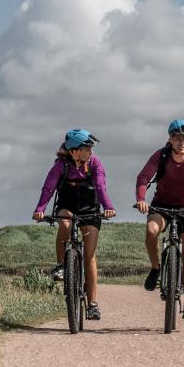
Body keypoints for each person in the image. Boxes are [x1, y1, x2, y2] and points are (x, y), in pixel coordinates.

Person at [32, 129, 117, 320]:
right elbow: (48, 188)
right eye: (87, 148)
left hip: (90, 208)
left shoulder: (94, 163)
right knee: (65, 224)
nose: (91, 152)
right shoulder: (61, 166)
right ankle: (62, 264)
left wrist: (108, 207)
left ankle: (92, 304)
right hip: (67, 206)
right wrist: (40, 209)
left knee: (89, 256)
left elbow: (101, 187)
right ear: (74, 151)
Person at [134, 118, 184, 319]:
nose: (182, 143)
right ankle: (155, 268)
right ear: (170, 139)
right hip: (161, 205)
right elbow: (143, 177)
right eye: (178, 138)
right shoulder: (160, 156)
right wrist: (141, 199)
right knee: (152, 231)